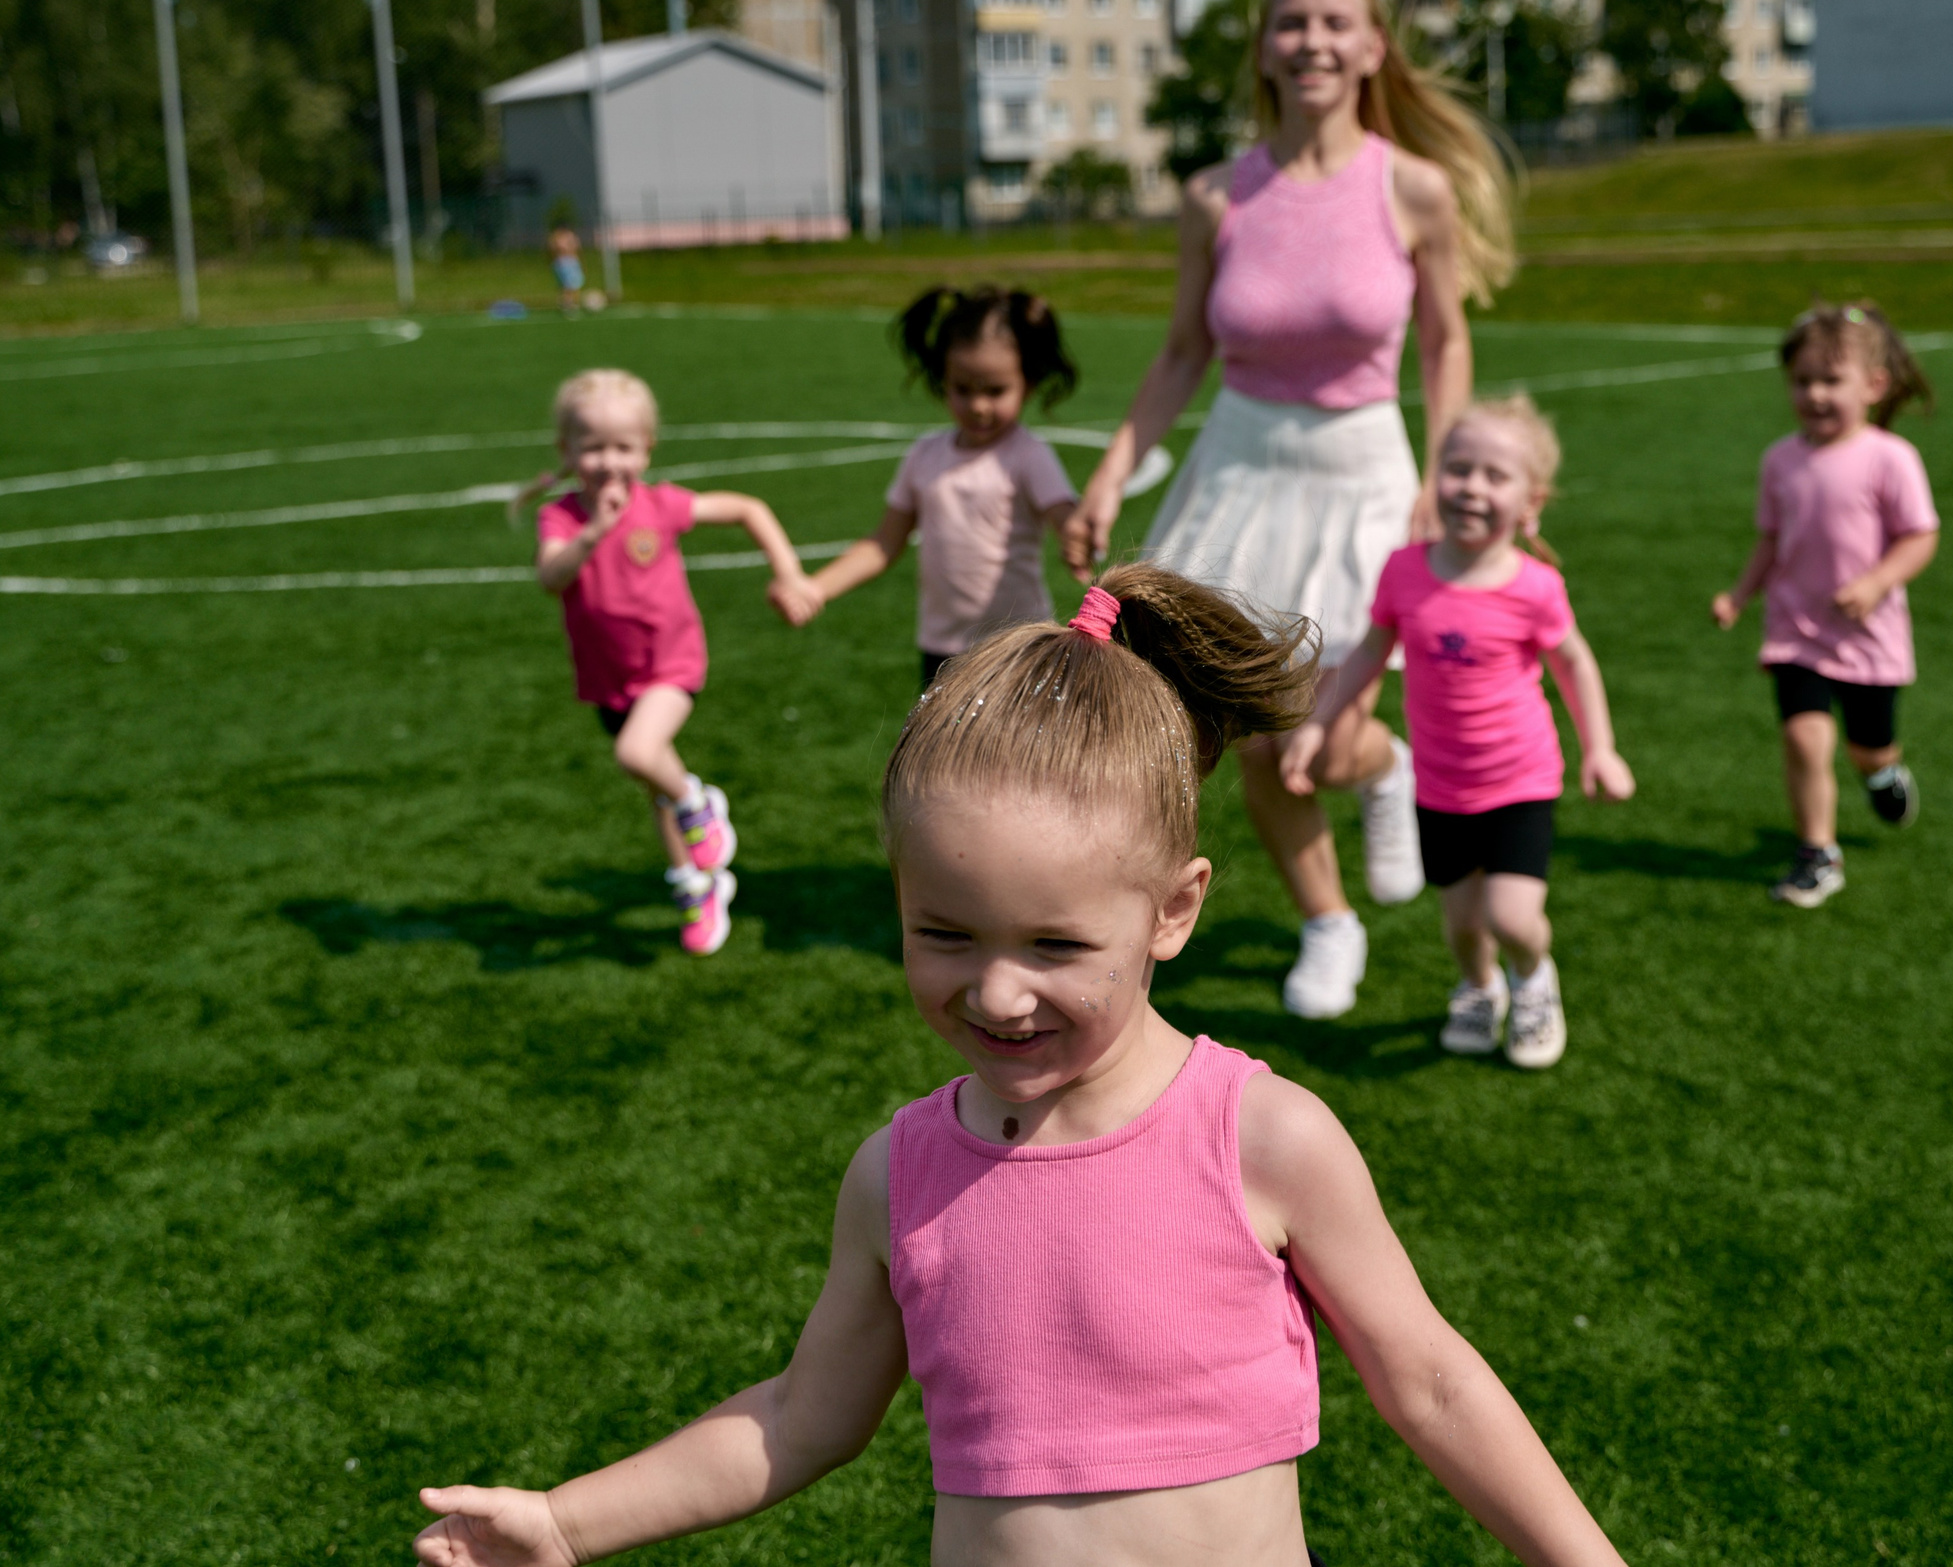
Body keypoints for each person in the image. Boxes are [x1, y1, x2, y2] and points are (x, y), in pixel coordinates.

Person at [411, 565, 1633, 1567]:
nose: (996, 992)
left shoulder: (1264, 1136)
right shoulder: (896, 1173)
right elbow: (800, 1414)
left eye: (1055, 945)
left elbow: (1430, 1382)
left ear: (1173, 909)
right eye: (944, 932)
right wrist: (566, 1522)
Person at [1061, 0, 1520, 1024]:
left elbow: (1446, 340)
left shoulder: (1414, 189)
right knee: (1251, 733)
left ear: (1371, 47)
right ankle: (1327, 917)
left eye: (1333, 22)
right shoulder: (1213, 196)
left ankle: (1384, 764)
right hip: (1238, 469)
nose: (1312, 41)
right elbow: (1182, 350)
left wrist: (1437, 467)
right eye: (1290, 22)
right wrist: (1111, 472)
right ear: (1264, 48)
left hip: (1363, 473)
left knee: (1324, 733)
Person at [1281, 398, 1632, 1070]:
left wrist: (1601, 749)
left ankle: (1533, 977)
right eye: (1458, 468)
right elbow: (1368, 651)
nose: (1472, 487)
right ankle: (1478, 987)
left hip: (1521, 780)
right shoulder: (1403, 570)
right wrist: (1317, 725)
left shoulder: (1535, 587)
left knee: (1512, 917)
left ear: (1531, 501)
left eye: (1495, 476)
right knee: (1463, 924)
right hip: (1440, 785)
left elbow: (1575, 662)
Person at [514, 369, 822, 954]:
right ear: (566, 450)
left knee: (638, 754)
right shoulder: (562, 518)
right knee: (653, 778)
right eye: (593, 447)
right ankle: (697, 883)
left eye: (623, 447)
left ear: (646, 450)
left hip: (670, 666)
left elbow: (748, 509)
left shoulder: (661, 504)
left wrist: (788, 572)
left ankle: (699, 804)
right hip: (610, 679)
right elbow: (551, 577)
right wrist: (594, 532)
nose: (608, 461)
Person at [1712, 302, 1941, 908]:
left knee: (1869, 747)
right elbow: (1771, 539)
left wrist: (1877, 582)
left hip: (1867, 634)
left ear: (1874, 386)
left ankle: (1882, 775)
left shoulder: (1891, 458)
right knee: (1803, 739)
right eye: (1802, 380)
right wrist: (1739, 594)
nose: (1814, 394)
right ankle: (1817, 854)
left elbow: (1920, 537)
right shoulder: (1779, 460)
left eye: (1830, 380)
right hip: (1796, 628)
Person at [802, 285, 1081, 688]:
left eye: (995, 391)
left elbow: (1066, 516)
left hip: (1018, 650)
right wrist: (817, 588)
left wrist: (1075, 536)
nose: (978, 406)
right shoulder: (924, 456)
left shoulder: (1029, 456)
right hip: (942, 651)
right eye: (962, 389)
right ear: (942, 378)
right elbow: (883, 543)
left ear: (1029, 383)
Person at [548, 224, 586, 317]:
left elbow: (576, 249)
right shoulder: (558, 237)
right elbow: (559, 249)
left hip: (570, 262)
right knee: (569, 285)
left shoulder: (568, 236)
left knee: (573, 285)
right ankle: (568, 305)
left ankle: (570, 304)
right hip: (565, 262)